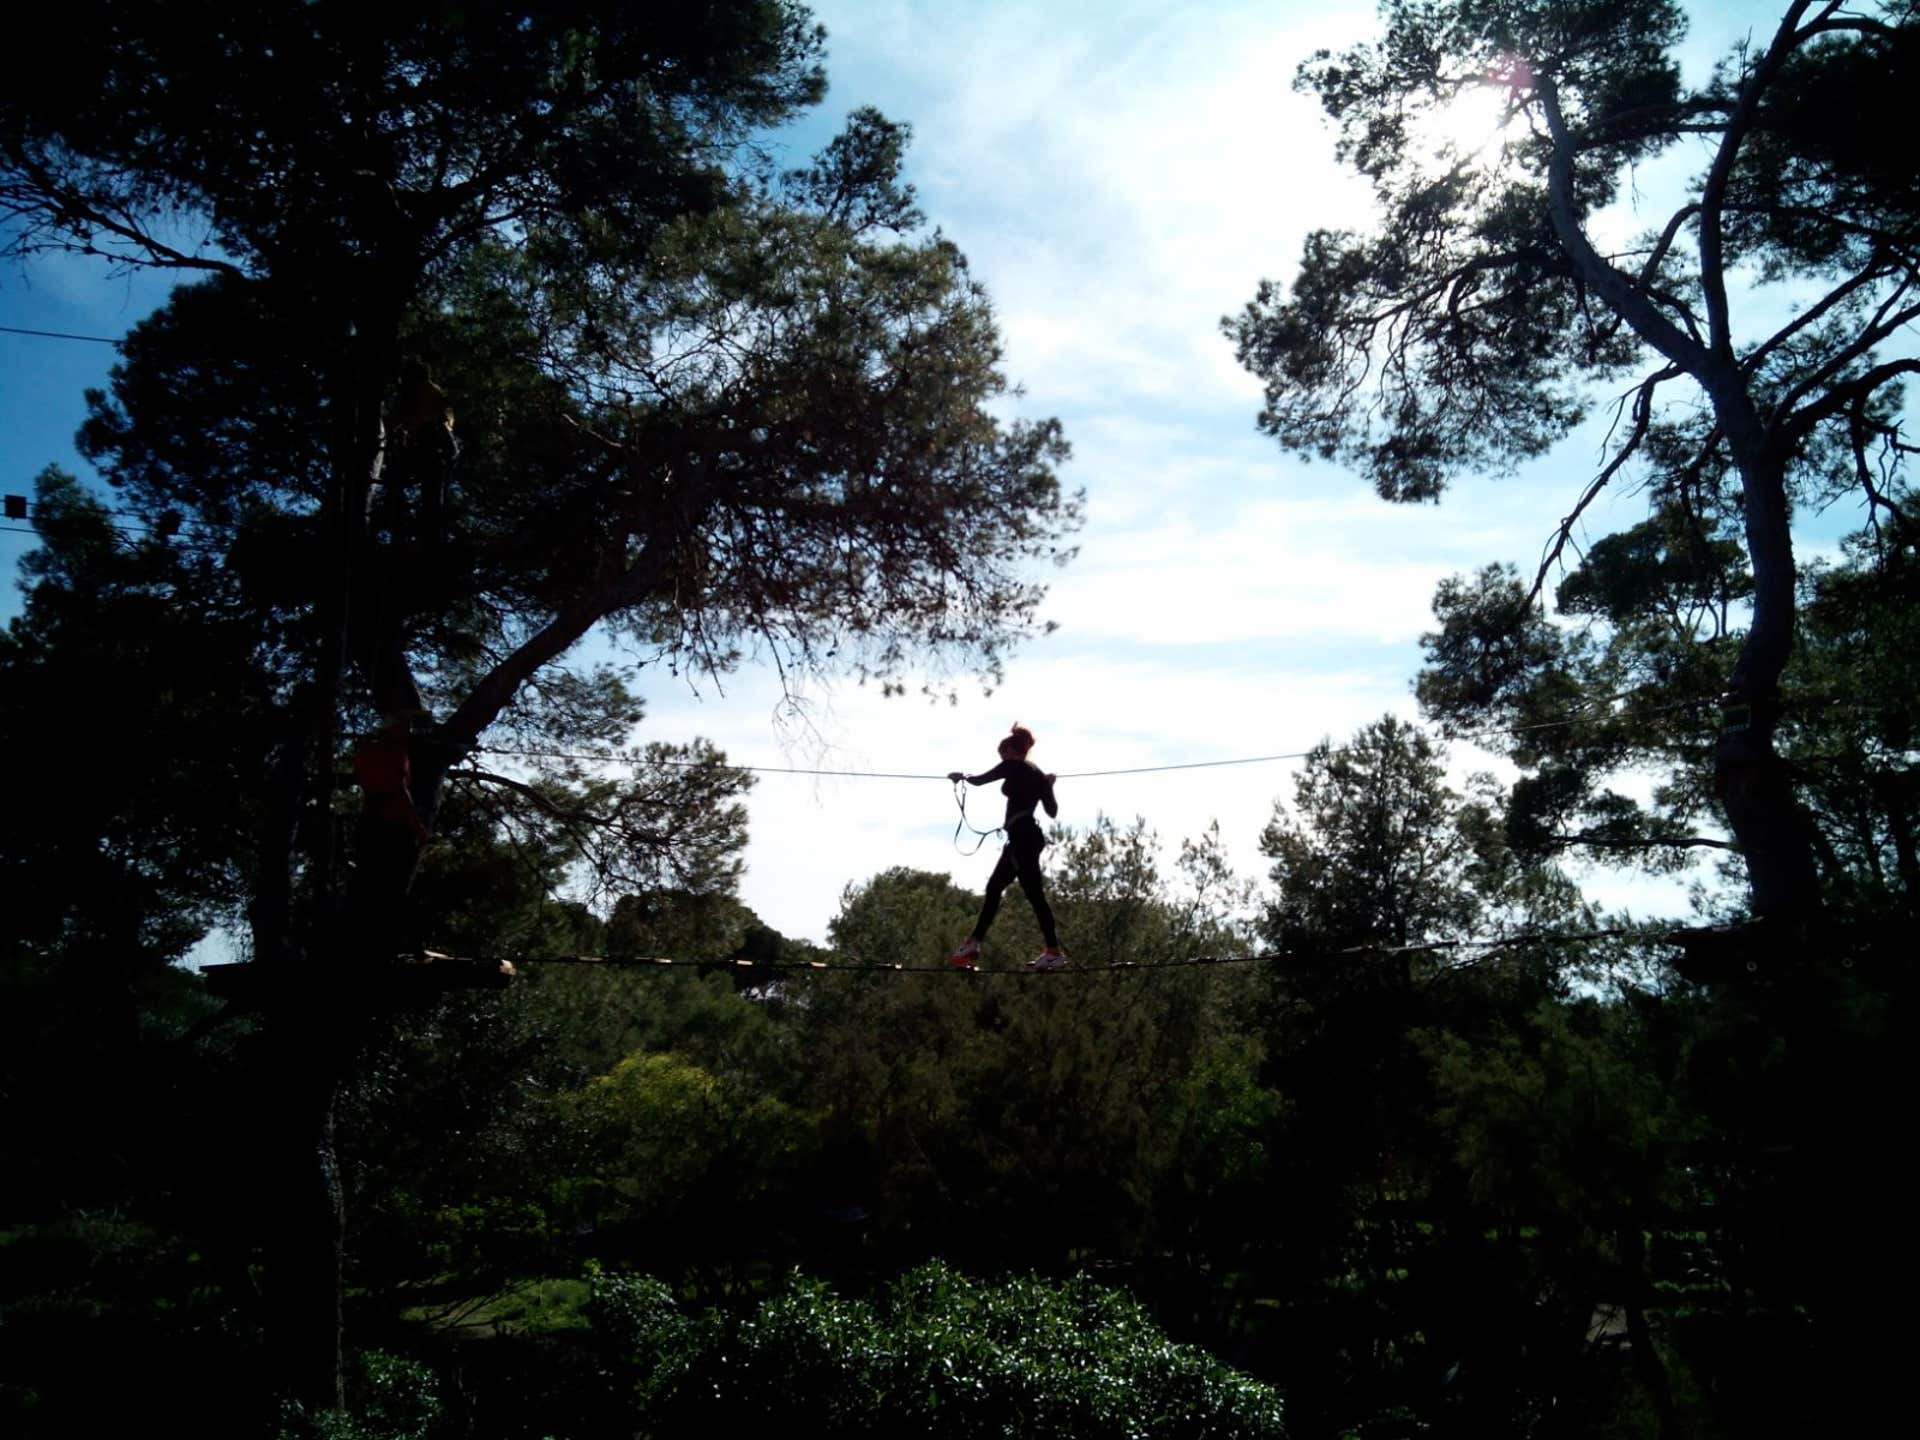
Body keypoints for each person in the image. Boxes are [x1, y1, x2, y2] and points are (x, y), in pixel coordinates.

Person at [947, 723, 1068, 971]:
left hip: (1023, 838)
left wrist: (962, 777)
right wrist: (1048, 786)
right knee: (999, 888)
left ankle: (1053, 952)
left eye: (1002, 754)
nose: (1001, 759)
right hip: (1025, 837)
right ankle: (975, 942)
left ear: (1011, 750)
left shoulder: (1013, 764)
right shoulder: (1038, 774)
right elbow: (1052, 811)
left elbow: (981, 780)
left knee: (1028, 894)